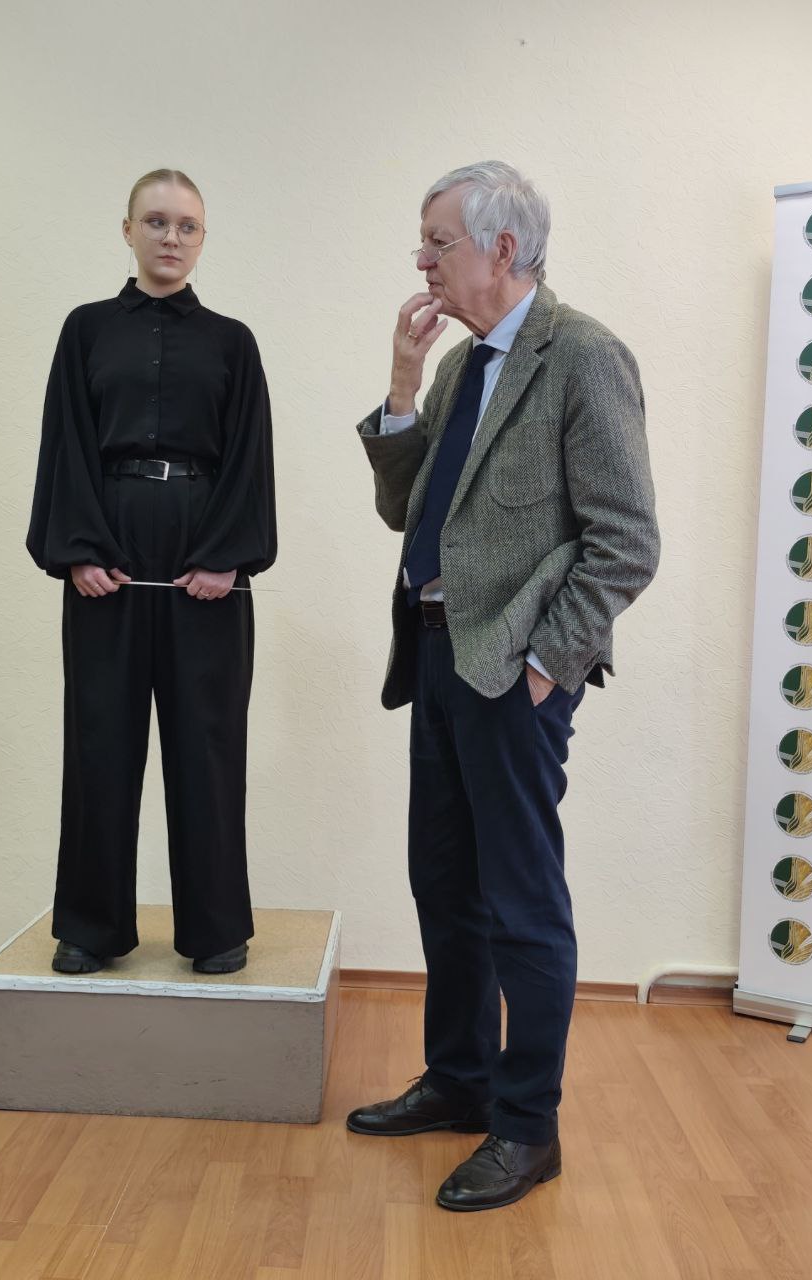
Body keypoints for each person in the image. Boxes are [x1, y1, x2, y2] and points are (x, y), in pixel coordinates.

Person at [347, 161, 659, 1212]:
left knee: (521, 902)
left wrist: (541, 666)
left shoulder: (584, 357)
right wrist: (402, 387)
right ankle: (461, 1078)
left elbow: (626, 543)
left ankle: (528, 1126)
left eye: (437, 240)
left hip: (512, 672)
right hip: (435, 654)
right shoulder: (457, 366)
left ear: (503, 249)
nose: (422, 258)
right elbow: (406, 512)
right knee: (444, 881)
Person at [27, 168, 276, 977]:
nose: (172, 238)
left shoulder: (233, 342)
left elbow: (249, 454)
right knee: (100, 740)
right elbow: (66, 439)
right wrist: (78, 549)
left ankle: (216, 928)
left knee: (208, 745)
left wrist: (225, 555)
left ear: (203, 239)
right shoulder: (86, 330)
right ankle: (90, 928)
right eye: (158, 222)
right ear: (128, 229)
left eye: (187, 226)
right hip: (108, 548)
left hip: (206, 551)